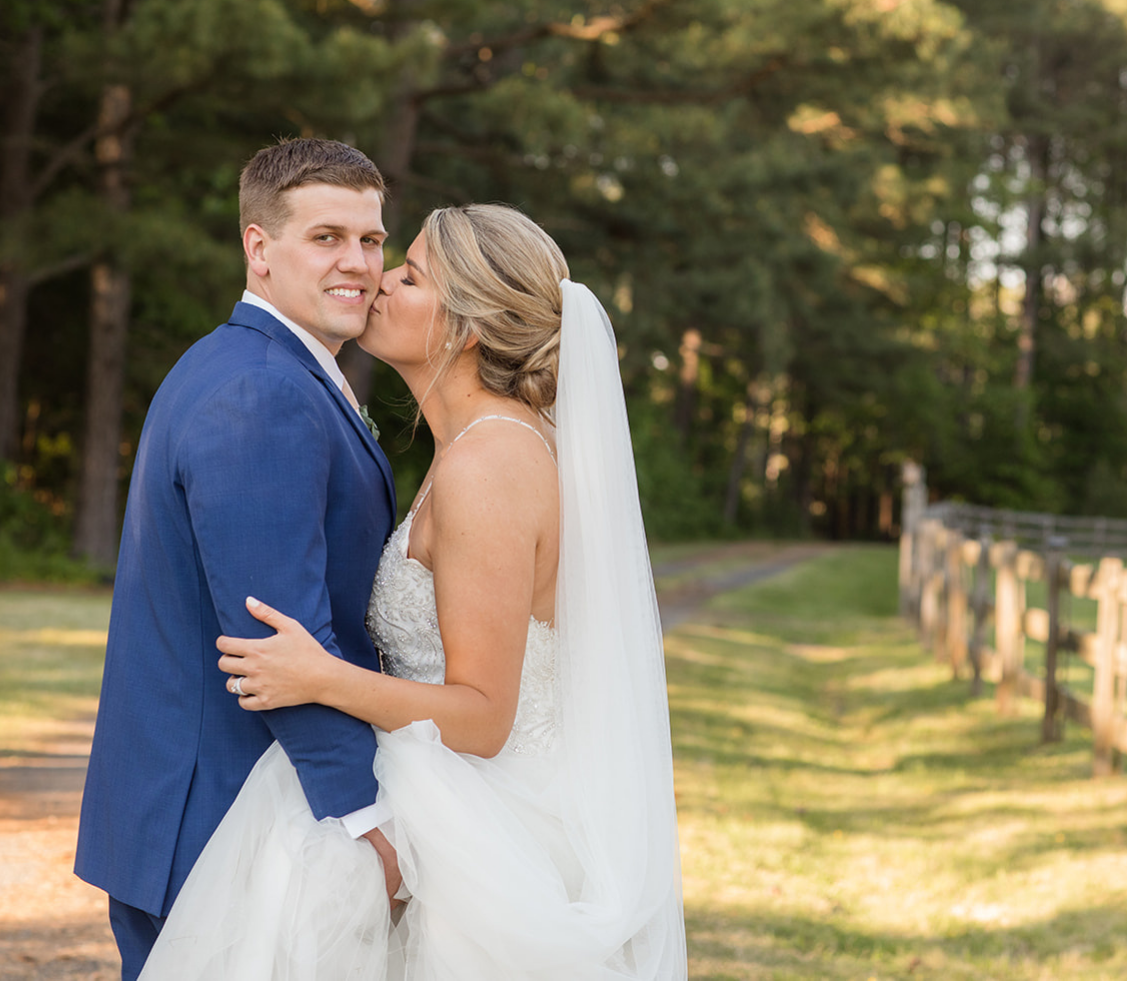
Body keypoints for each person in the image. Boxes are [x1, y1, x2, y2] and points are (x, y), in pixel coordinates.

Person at [137, 204, 687, 979]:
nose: (378, 281)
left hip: (483, 825)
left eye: (410, 274)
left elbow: (484, 716)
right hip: (451, 792)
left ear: (465, 327)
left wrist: (326, 678)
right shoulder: (470, 449)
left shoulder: (489, 466)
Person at [74, 138, 403, 980]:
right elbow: (276, 639)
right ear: (260, 249)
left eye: (370, 240)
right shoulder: (263, 390)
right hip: (220, 815)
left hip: (201, 802)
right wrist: (358, 817)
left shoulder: (257, 365)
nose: (359, 263)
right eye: (326, 237)